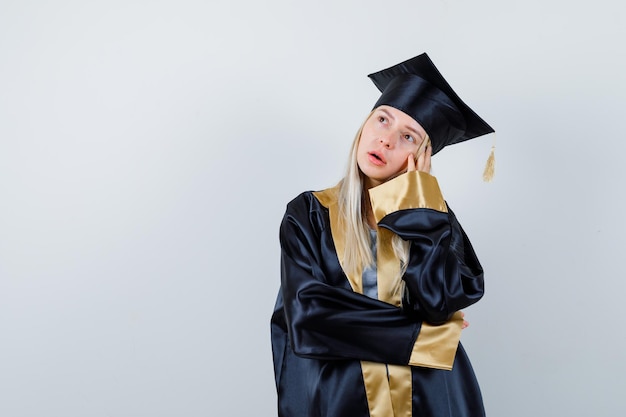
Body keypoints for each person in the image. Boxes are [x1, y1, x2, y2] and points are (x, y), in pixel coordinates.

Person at [270, 53, 494, 417]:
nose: (386, 140)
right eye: (382, 120)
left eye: (408, 136)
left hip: (432, 400)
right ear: (365, 124)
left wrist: (419, 214)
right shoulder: (309, 214)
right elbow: (309, 317)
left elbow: (439, 304)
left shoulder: (436, 219)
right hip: (344, 400)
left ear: (422, 157)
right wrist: (427, 336)